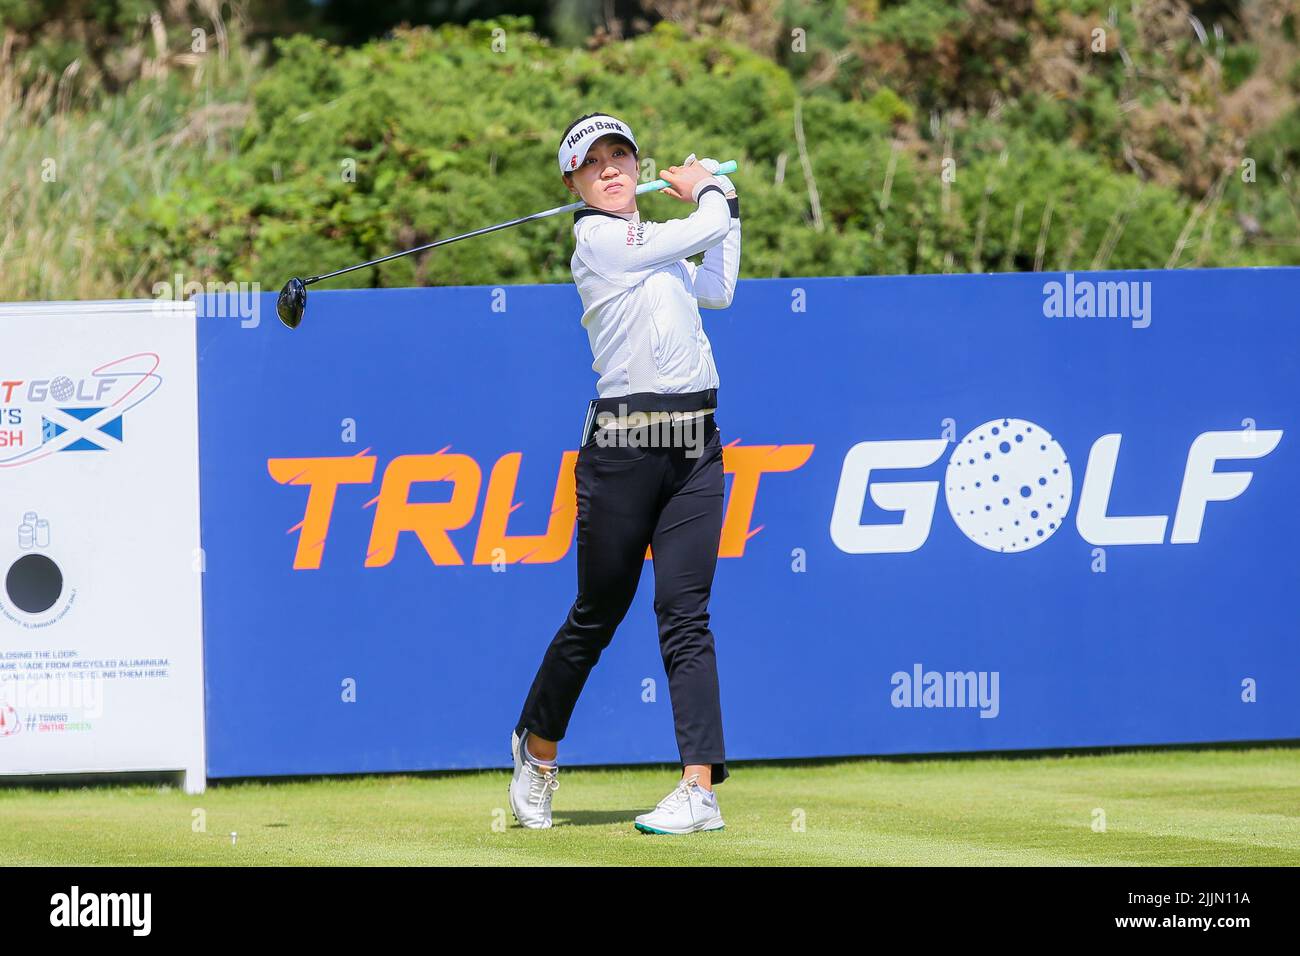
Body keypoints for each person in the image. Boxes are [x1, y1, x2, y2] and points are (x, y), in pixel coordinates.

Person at [509, 112, 742, 834]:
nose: (611, 168)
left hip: (695, 448)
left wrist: (723, 206)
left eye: (622, 156)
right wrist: (711, 195)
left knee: (686, 615)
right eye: (594, 162)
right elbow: (694, 231)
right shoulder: (601, 241)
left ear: (638, 167)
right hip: (622, 452)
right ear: (574, 183)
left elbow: (719, 288)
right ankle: (537, 750)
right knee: (598, 614)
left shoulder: (657, 249)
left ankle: (699, 790)